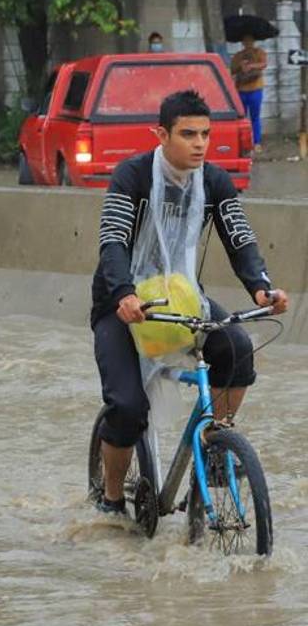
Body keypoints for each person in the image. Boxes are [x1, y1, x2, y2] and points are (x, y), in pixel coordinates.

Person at [90, 90, 288, 516]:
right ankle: (110, 498)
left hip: (182, 301)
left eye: (205, 134)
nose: (200, 143)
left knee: (237, 351)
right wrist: (123, 294)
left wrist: (261, 287)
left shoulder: (214, 180)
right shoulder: (132, 176)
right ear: (161, 134)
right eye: (188, 134)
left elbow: (240, 237)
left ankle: (214, 443)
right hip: (121, 305)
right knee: (126, 408)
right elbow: (113, 242)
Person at [230, 34, 267, 152]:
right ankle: (243, 143)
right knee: (242, 118)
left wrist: (251, 66)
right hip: (241, 90)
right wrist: (241, 66)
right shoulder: (238, 56)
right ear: (242, 43)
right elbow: (233, 69)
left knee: (255, 117)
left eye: (250, 41)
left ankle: (256, 142)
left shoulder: (259, 52)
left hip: (256, 89)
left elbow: (264, 64)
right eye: (245, 41)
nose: (248, 43)